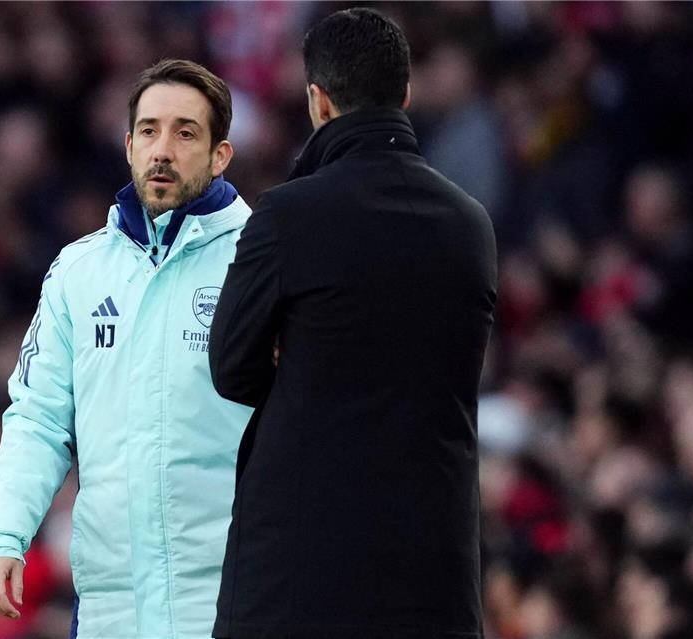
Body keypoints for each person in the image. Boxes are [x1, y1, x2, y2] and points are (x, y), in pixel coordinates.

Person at [208, 9, 498, 639]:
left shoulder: (288, 216)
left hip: (303, 566)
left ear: (317, 101)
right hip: (433, 566)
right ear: (406, 94)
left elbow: (230, 367)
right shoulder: (470, 225)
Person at [0, 59, 254, 639]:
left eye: (185, 132)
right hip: (111, 605)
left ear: (220, 154)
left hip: (233, 597)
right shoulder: (79, 270)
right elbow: (39, 419)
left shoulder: (260, 260)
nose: (163, 149)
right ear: (128, 145)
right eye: (149, 131)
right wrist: (4, 535)